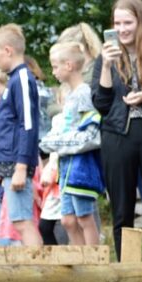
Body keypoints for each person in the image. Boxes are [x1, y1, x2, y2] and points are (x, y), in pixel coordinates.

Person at [92, 0, 142, 259]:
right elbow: (101, 104)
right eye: (117, 23)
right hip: (117, 134)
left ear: (140, 23)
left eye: (128, 23)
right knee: (122, 209)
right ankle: (127, 274)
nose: (122, 29)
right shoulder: (105, 57)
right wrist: (106, 66)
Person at [40, 42, 104, 246]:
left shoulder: (84, 93)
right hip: (66, 166)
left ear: (69, 65)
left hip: (81, 166)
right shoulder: (70, 96)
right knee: (67, 220)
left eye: (55, 66)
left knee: (84, 217)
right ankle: (79, 257)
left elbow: (90, 132)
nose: (53, 71)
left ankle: (93, 258)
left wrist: (55, 143)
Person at [0, 24, 43, 247]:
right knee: (18, 219)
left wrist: (21, 167)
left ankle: (41, 271)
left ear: (8, 50)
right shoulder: (13, 80)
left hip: (17, 163)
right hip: (8, 162)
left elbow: (28, 125)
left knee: (22, 220)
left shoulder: (22, 79)